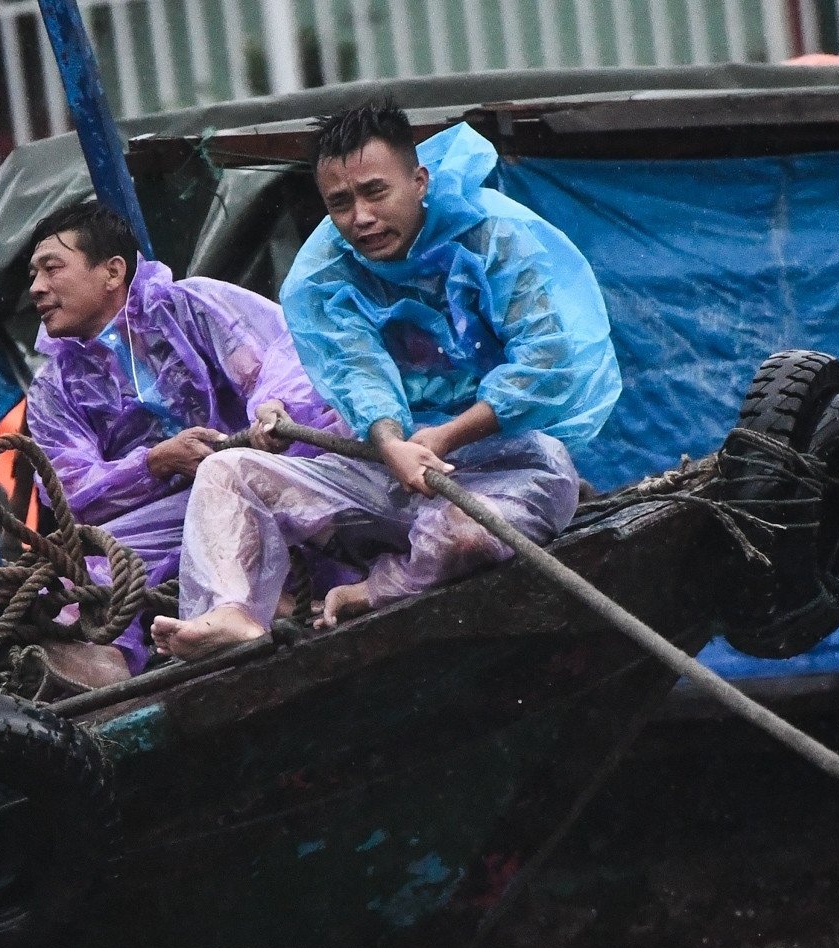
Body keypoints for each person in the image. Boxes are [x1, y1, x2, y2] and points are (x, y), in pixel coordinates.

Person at [151, 100, 619, 659]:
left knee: (464, 536)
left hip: (510, 462)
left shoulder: (493, 239)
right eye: (341, 203)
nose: (362, 218)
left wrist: (445, 438)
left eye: (376, 192)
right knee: (228, 470)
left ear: (418, 180)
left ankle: (375, 589)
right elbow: (359, 375)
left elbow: (545, 364)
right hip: (385, 465)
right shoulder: (327, 272)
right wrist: (391, 441)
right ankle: (229, 611)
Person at [22, 201, 340, 686]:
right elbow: (69, 491)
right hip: (165, 518)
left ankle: (298, 593)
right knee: (89, 570)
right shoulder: (53, 387)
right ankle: (110, 658)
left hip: (260, 475)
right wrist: (154, 463)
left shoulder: (192, 305)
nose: (36, 288)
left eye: (51, 269)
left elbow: (285, 358)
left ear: (112, 272)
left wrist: (269, 413)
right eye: (33, 274)